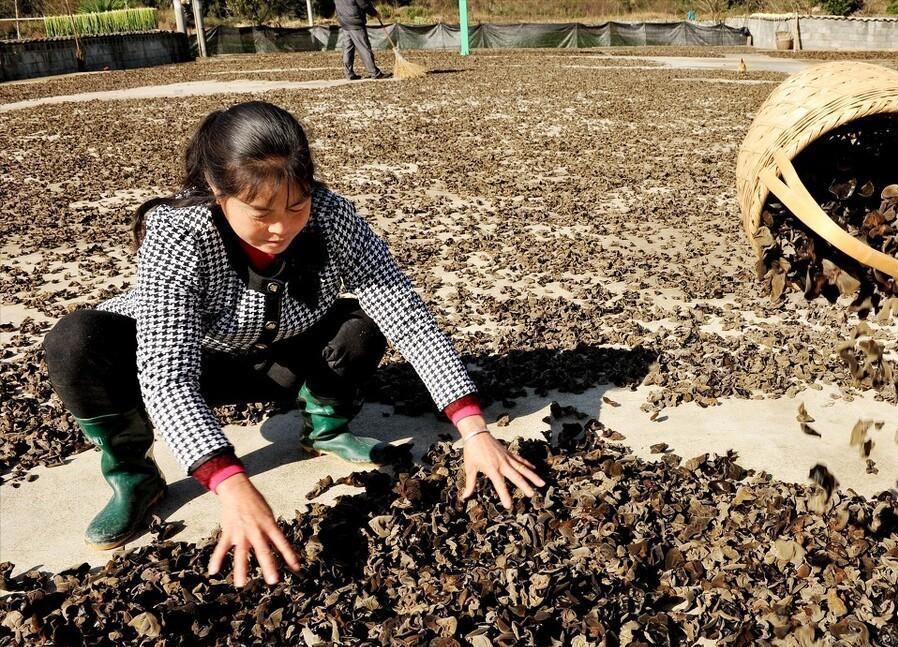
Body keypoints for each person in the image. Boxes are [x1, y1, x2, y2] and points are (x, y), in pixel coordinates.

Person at [42, 101, 543, 587]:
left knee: (367, 319)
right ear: (218, 190)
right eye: (260, 212)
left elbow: (406, 314)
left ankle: (325, 427)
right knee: (75, 340)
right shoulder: (178, 232)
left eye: (296, 205)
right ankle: (133, 474)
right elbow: (167, 372)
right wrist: (229, 481)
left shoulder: (332, 216)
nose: (281, 227)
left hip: (285, 358)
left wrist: (474, 431)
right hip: (204, 361)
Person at [335, 0, 390, 80]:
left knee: (348, 48)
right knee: (364, 48)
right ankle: (375, 73)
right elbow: (363, 4)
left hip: (344, 21)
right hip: (355, 21)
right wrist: (374, 13)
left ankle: (349, 74)